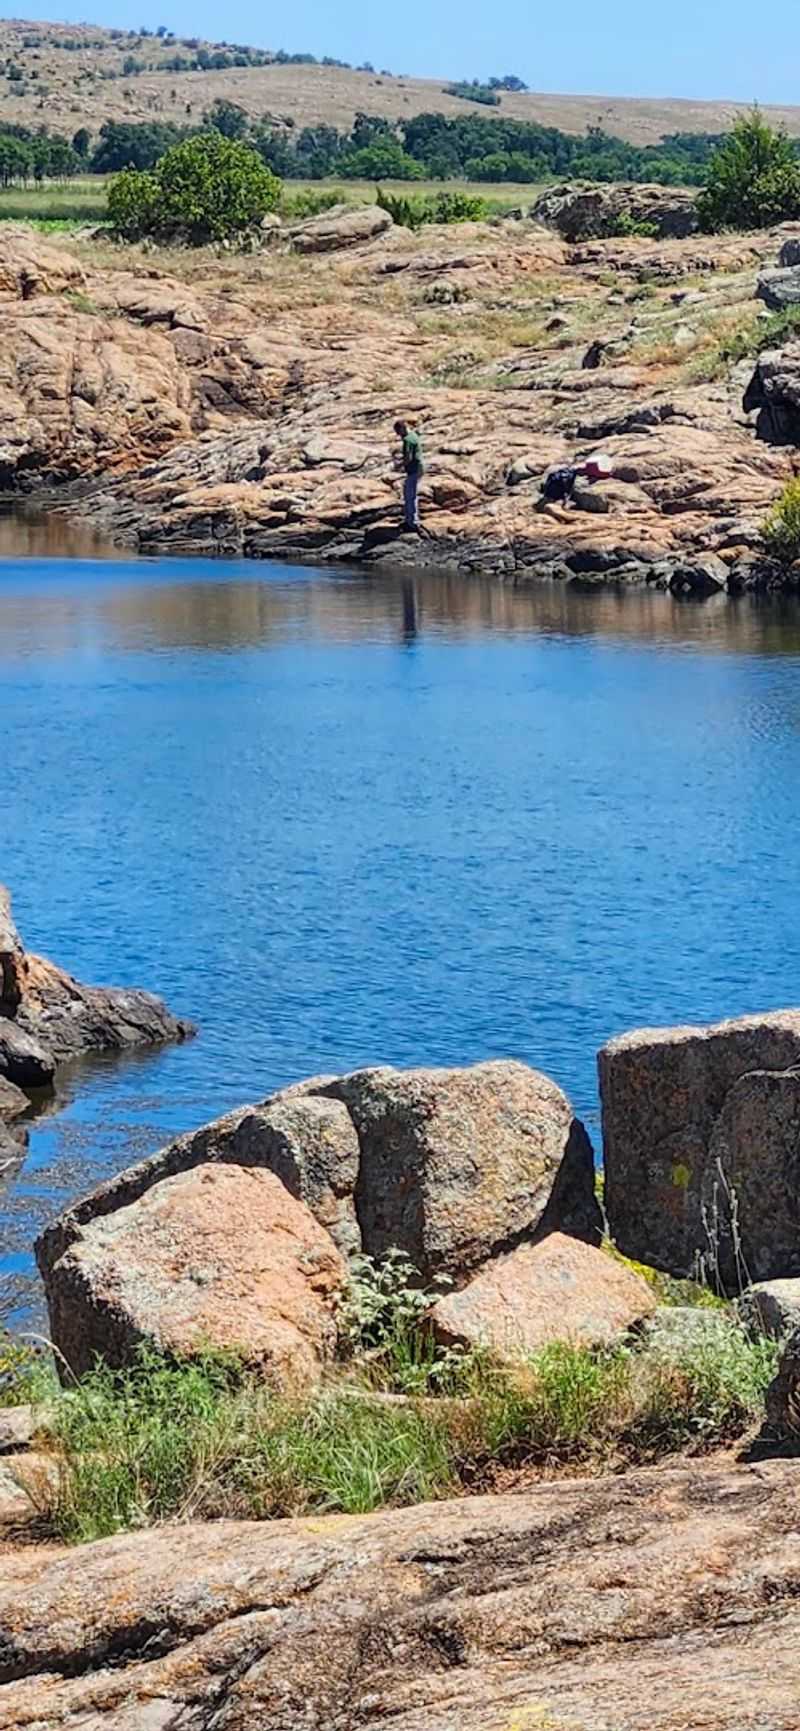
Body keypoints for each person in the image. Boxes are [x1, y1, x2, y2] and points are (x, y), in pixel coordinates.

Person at [394, 419, 424, 531]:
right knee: (411, 493)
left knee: (409, 495)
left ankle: (412, 523)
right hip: (419, 468)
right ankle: (411, 520)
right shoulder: (414, 435)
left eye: (398, 432)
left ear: (402, 429)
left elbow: (408, 458)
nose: (399, 435)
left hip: (414, 470)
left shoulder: (408, 440)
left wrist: (399, 465)